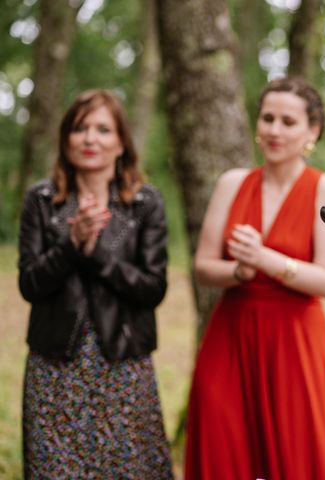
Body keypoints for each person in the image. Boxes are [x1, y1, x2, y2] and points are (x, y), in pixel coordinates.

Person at [184, 76, 325, 479]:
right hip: (231, 335)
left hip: (295, 341)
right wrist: (239, 270)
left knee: (296, 454)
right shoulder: (232, 184)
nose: (275, 130)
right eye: (268, 118)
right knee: (225, 448)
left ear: (311, 131)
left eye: (288, 121)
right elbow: (203, 267)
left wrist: (265, 258)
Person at [18, 90, 174, 479]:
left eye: (103, 129)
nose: (90, 139)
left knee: (129, 469)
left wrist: (96, 253)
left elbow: (152, 288)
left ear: (121, 142)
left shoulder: (144, 203)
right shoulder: (40, 200)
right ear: (65, 138)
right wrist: (71, 245)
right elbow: (30, 284)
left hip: (123, 361)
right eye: (80, 128)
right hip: (55, 364)